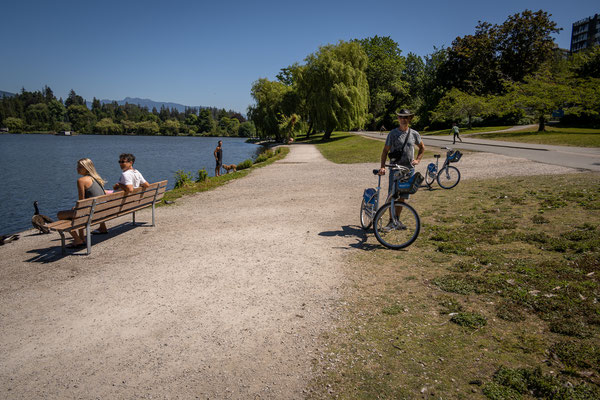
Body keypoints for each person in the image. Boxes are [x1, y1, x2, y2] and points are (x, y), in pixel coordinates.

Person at [378, 109, 425, 227]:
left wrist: (418, 160)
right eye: (401, 117)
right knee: (393, 195)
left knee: (402, 196)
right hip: (395, 169)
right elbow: (385, 151)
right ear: (398, 119)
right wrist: (383, 167)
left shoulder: (414, 134)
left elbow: (422, 147)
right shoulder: (392, 134)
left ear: (409, 119)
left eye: (405, 117)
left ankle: (397, 220)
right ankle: (391, 221)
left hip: (409, 169)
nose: (403, 119)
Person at [57, 158, 108, 247]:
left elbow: (82, 203)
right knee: (76, 212)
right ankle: (82, 238)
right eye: (78, 166)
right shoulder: (97, 179)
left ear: (87, 168)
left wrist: (76, 208)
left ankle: (78, 239)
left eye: (80, 167)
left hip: (91, 213)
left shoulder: (81, 180)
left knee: (60, 215)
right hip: (101, 212)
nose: (77, 168)